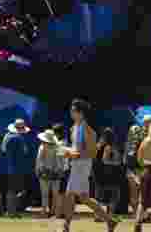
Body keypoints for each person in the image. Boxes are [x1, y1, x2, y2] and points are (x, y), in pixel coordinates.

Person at [60, 99, 118, 232]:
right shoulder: (74, 128)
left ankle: (66, 226)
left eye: (73, 111)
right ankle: (110, 221)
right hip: (77, 164)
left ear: (80, 113)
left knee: (70, 195)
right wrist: (67, 151)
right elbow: (76, 148)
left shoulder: (87, 130)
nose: (71, 113)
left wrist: (73, 155)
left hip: (82, 165)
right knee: (84, 198)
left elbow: (92, 153)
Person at [1, 118, 32, 218]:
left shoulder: (7, 137)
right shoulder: (19, 139)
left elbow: (3, 150)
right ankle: (14, 211)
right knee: (19, 191)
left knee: (11, 190)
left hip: (9, 168)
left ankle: (10, 211)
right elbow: (25, 152)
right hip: (18, 168)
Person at [95, 128, 124, 217]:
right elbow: (115, 160)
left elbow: (102, 159)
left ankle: (98, 215)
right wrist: (116, 163)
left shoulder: (103, 145)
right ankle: (109, 214)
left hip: (102, 172)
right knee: (113, 196)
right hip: (112, 173)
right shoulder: (114, 146)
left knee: (100, 194)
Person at [127, 116, 151, 213]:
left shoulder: (134, 132)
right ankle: (141, 214)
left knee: (134, 190)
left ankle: (136, 213)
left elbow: (129, 149)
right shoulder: (148, 136)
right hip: (141, 165)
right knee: (142, 192)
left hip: (132, 164)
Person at [37, 129, 62, 218]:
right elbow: (59, 161)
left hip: (45, 172)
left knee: (44, 194)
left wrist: (39, 171)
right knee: (55, 193)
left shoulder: (42, 147)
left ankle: (44, 212)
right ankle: (53, 212)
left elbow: (39, 161)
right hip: (55, 172)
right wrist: (58, 170)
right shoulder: (57, 146)